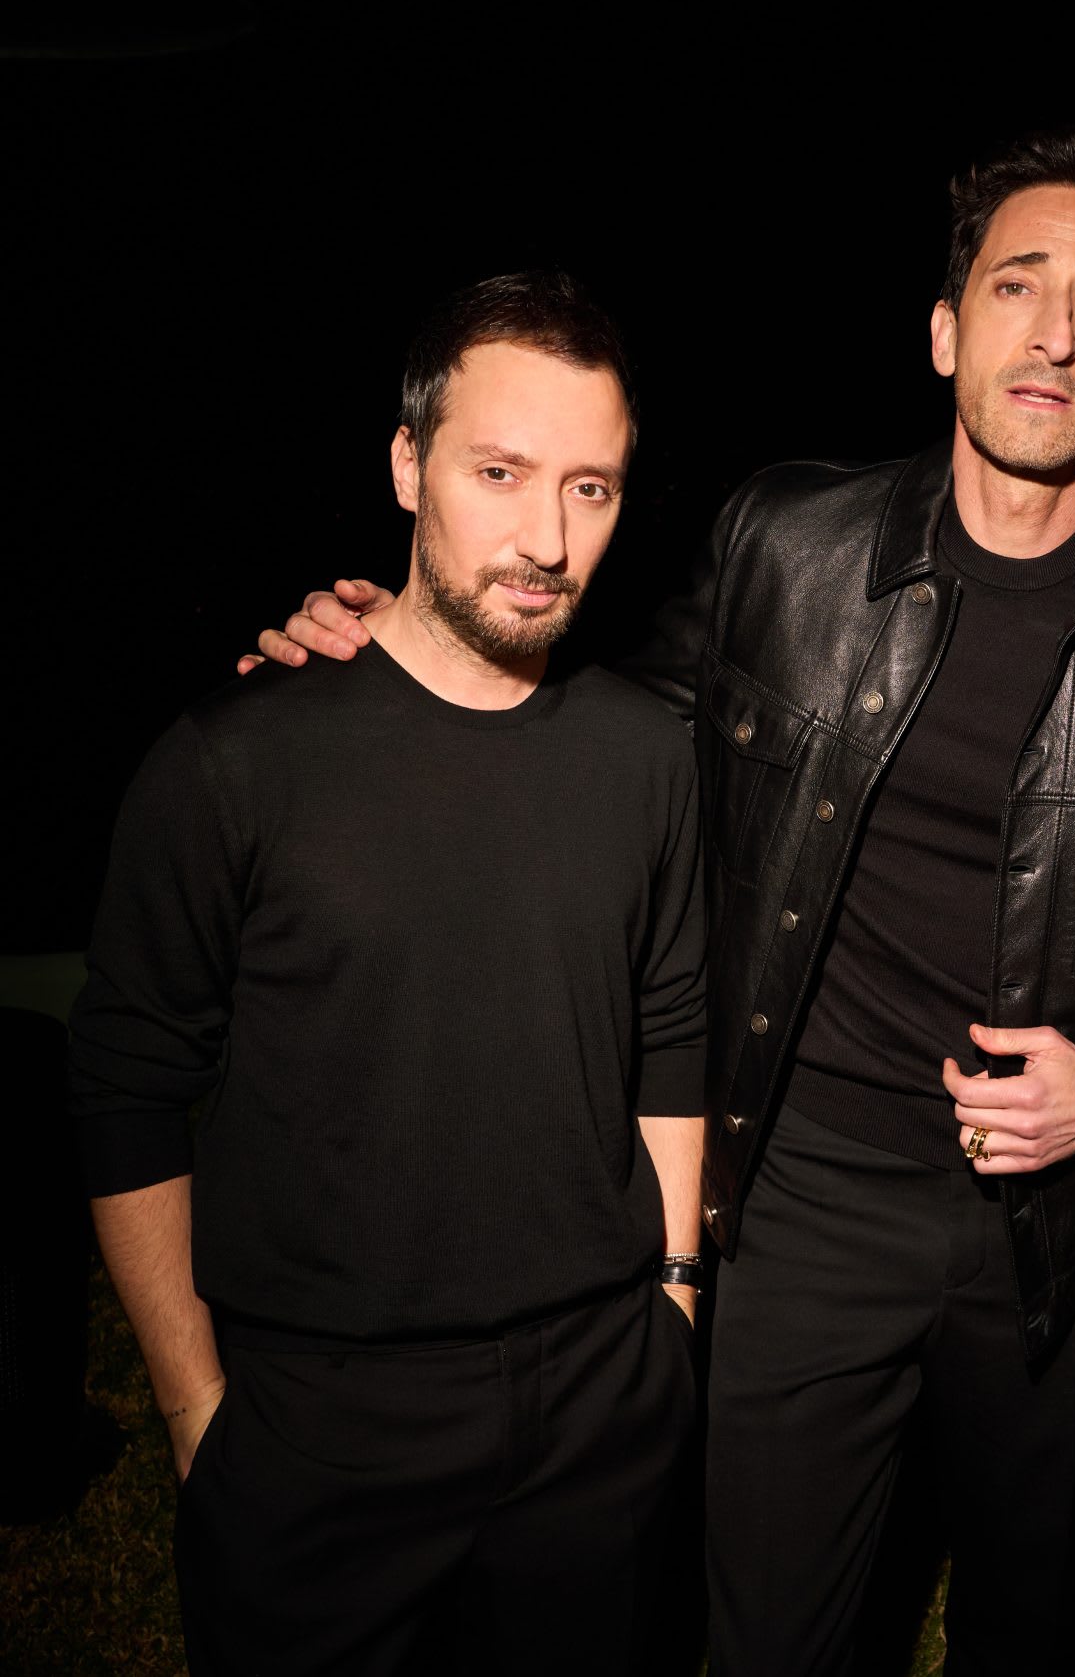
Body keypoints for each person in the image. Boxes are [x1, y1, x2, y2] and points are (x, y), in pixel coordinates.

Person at [248, 127, 1075, 1676]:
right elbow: (604, 738)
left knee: (1038, 1628)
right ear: (946, 332)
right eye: (1017, 285)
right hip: (802, 1207)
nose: (1055, 328)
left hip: (1065, 1243)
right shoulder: (786, 543)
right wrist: (398, 638)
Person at [70, 271, 707, 1676]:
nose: (546, 538)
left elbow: (672, 1032)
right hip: (319, 1430)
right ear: (410, 465)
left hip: (602, 1406)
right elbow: (125, 1087)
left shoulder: (648, 756)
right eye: (502, 472)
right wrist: (196, 1410)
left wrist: (672, 1302)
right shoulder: (232, 762)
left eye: (592, 489)